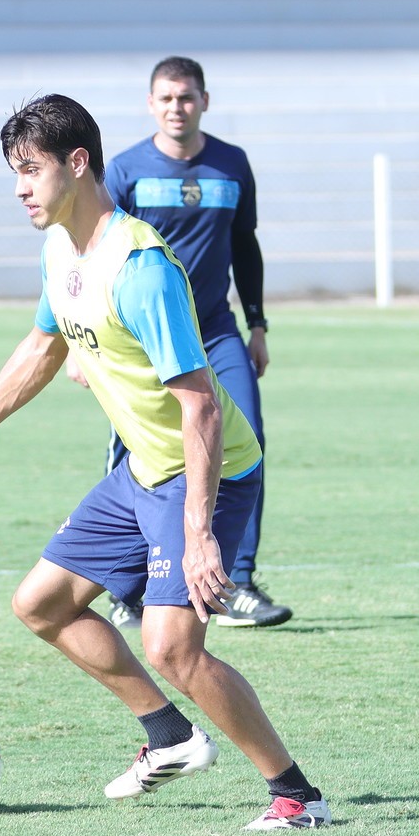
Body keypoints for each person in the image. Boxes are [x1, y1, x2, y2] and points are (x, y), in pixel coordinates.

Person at [0, 95, 329, 830]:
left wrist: (198, 532)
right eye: (14, 173)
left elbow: (201, 406)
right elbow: (42, 347)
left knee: (173, 648)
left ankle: (296, 796)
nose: (19, 188)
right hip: (141, 471)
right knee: (41, 604)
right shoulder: (60, 249)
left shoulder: (140, 267)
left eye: (30, 170)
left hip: (206, 472)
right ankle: (170, 736)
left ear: (78, 164)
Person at [95, 56, 290, 629]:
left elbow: (246, 247)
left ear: (205, 101)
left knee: (246, 443)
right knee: (137, 454)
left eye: (186, 97)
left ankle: (236, 584)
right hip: (147, 340)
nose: (176, 107)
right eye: (166, 98)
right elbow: (100, 252)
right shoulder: (125, 170)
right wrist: (89, 346)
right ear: (150, 104)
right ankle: (127, 589)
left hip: (219, 332)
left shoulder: (232, 165)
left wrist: (257, 325)